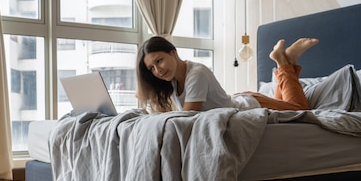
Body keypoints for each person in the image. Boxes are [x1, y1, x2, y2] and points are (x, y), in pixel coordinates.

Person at [136, 35, 318, 112]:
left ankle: (284, 62)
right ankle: (285, 61)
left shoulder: (196, 74)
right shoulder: (174, 83)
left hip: (251, 106)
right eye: (151, 68)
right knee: (286, 107)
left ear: (173, 53)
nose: (157, 70)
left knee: (300, 111)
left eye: (159, 61)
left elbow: (186, 119)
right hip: (242, 101)